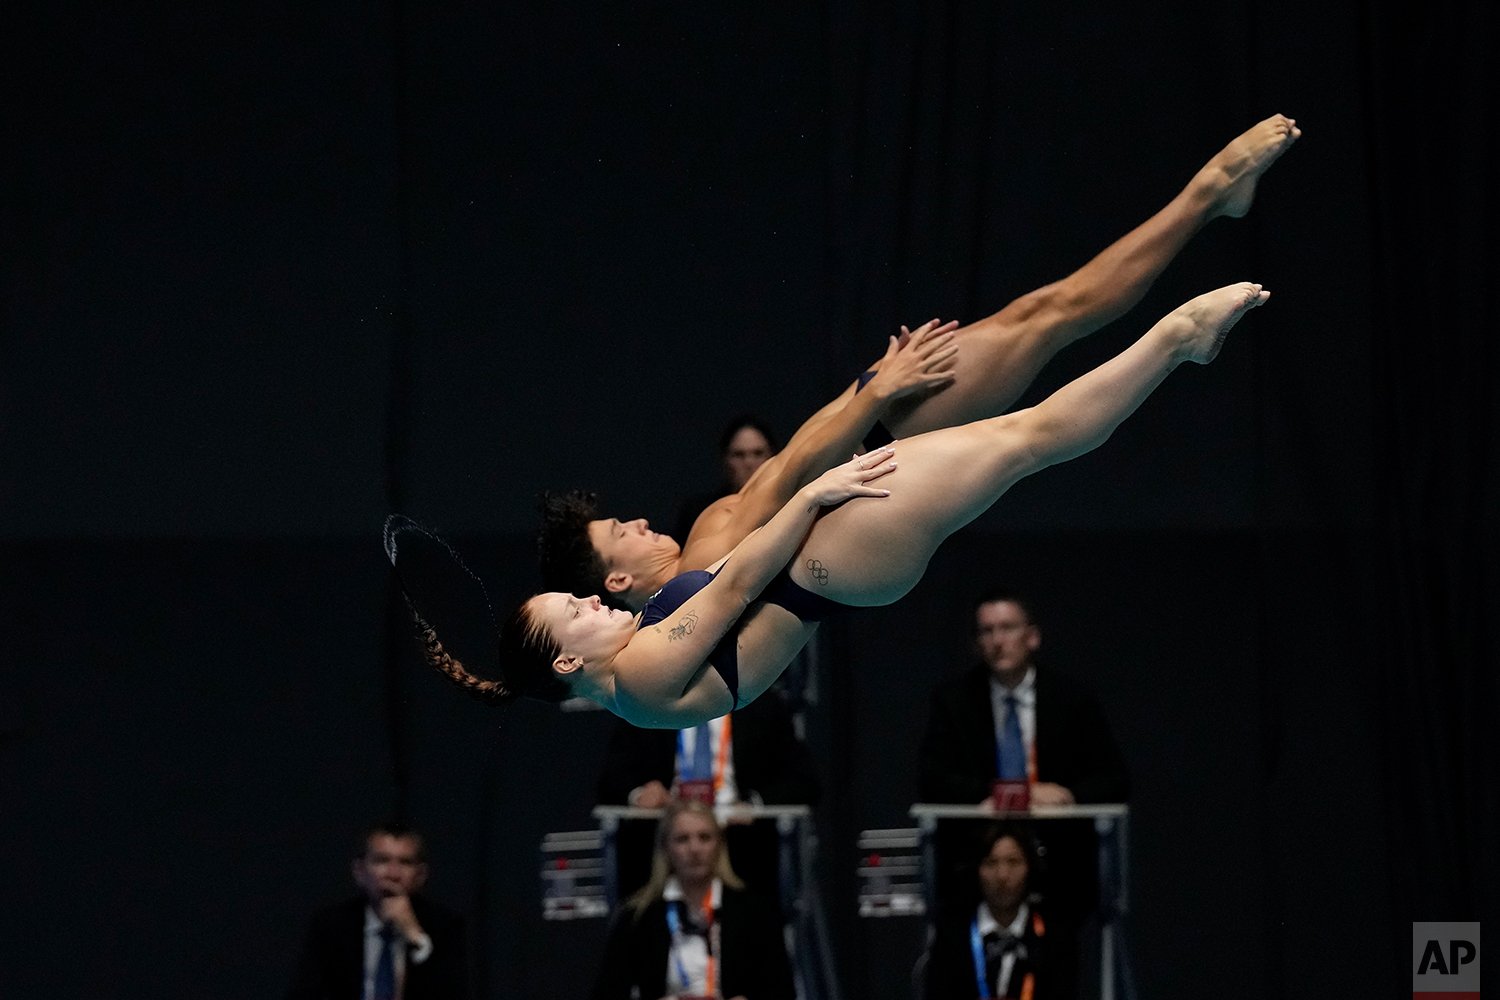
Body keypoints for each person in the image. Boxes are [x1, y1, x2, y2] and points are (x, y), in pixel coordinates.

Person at [390, 281, 1272, 727]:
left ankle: (1173, 347)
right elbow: (735, 590)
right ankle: (1174, 345)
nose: (594, 604)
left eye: (579, 594)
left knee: (1023, 439)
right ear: (566, 667)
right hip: (824, 563)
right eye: (576, 612)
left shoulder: (627, 668)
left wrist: (823, 462)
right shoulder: (641, 677)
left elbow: (733, 567)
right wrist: (816, 488)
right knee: (1025, 439)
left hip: (830, 566)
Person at [540, 116, 1301, 613]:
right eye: (620, 532)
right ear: (614, 580)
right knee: (1026, 437)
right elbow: (782, 474)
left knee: (1042, 316)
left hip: (853, 464)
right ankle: (1179, 330)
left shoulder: (697, 534)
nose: (639, 520)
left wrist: (874, 388)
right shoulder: (678, 585)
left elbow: (793, 461)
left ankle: (1210, 197)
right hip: (848, 550)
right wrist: (872, 396)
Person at [919, 590, 1128, 979]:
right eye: (987, 631)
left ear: (1032, 636)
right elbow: (930, 777)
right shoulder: (953, 701)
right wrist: (988, 794)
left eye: (1007, 628)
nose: (998, 640)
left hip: (1059, 865)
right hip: (976, 863)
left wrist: (1067, 795)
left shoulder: (1072, 699)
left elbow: (1115, 778)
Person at [596, 687, 820, 900]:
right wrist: (639, 794)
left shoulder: (760, 701)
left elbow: (804, 781)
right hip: (663, 834)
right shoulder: (649, 701)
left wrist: (754, 804)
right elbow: (610, 779)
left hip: (742, 837)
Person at [591, 800, 795, 1000]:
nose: (694, 849)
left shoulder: (756, 912)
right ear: (666, 848)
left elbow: (783, 992)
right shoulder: (637, 915)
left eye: (705, 837)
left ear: (720, 844)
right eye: (682, 839)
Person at [287, 823, 470, 1000]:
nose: (393, 874)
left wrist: (416, 937)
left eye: (405, 863)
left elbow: (453, 993)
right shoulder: (331, 926)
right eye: (381, 861)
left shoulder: (445, 927)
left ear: (420, 875)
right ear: (359, 871)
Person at [923, 823, 1073, 1000]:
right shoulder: (952, 935)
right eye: (991, 862)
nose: (1002, 875)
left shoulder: (1054, 936)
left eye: (1013, 862)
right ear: (977, 869)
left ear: (1030, 867)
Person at [673, 416, 782, 543]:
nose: (749, 463)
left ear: (773, 456)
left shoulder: (788, 506)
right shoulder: (699, 513)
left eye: (758, 453)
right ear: (725, 460)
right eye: (738, 455)